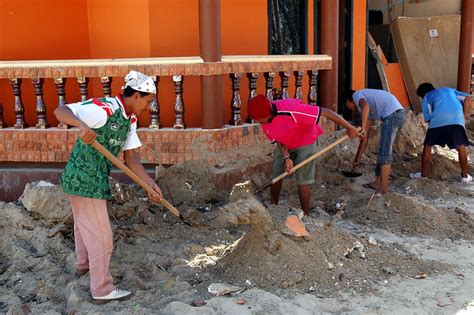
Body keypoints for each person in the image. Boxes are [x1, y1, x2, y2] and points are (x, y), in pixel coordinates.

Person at [54, 71, 163, 303]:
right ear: (134, 95)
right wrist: (81, 125)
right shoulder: (104, 108)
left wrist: (149, 185)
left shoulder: (130, 120)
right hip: (84, 178)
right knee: (102, 237)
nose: (149, 106)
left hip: (94, 177)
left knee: (85, 225)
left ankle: (83, 265)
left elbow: (132, 160)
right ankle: (102, 289)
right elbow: (61, 111)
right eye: (147, 100)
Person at [247, 94, 360, 217]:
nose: (259, 122)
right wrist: (286, 157)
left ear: (269, 113)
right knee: (276, 173)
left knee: (303, 179)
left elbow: (325, 112)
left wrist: (349, 127)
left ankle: (306, 215)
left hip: (305, 140)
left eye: (260, 120)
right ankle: (273, 207)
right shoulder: (263, 117)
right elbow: (276, 137)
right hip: (286, 142)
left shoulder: (292, 109)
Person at [344, 88, 406, 194]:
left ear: (347, 101)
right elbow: (365, 138)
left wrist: (362, 127)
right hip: (395, 114)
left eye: (347, 106)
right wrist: (357, 160)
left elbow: (365, 106)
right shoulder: (368, 111)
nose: (350, 109)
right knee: (382, 148)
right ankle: (378, 182)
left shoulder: (357, 95)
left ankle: (383, 188)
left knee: (385, 151)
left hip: (393, 114)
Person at [410, 83, 472, 182]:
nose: (422, 98)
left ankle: (423, 175)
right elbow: (468, 98)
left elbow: (429, 118)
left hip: (437, 121)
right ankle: (465, 177)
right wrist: (463, 116)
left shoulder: (427, 97)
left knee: (428, 146)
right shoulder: (450, 90)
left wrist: (434, 133)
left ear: (423, 93)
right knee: (461, 147)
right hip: (457, 120)